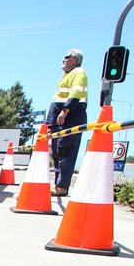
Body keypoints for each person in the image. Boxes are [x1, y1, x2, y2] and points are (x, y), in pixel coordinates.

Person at [46, 48, 88, 196]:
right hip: (60, 120)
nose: (63, 59)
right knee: (57, 153)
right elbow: (58, 99)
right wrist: (51, 123)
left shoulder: (79, 72)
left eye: (66, 57)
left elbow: (76, 94)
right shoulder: (66, 75)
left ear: (75, 60)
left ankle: (62, 186)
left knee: (65, 152)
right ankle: (58, 185)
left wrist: (65, 110)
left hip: (71, 118)